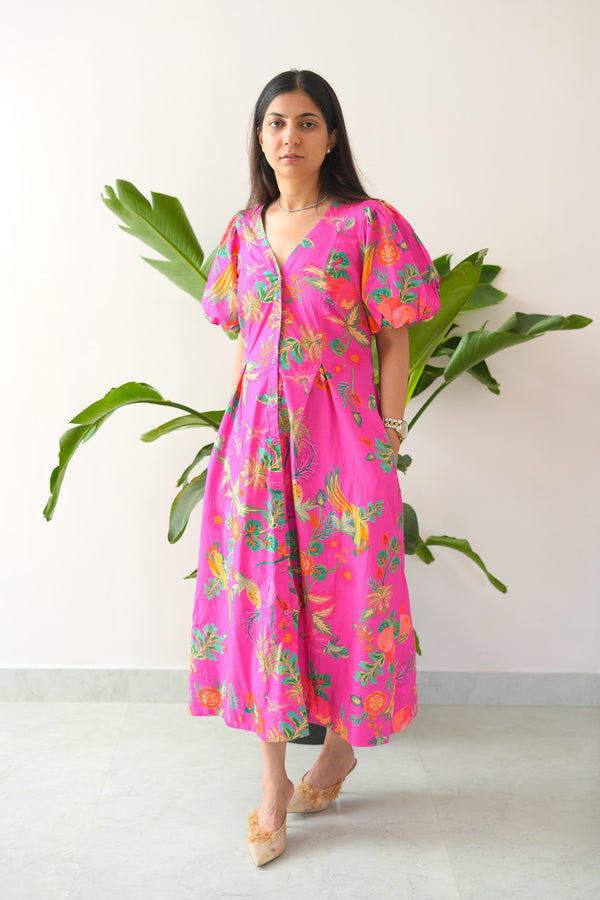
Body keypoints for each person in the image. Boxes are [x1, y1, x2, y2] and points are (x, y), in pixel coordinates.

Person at [188, 69, 440, 866]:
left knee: (349, 590)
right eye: (274, 123)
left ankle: (338, 749)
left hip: (344, 440)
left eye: (304, 122)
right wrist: (229, 430)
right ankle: (271, 786)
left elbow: (396, 338)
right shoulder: (241, 232)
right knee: (264, 601)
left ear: (331, 135)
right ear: (260, 138)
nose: (287, 137)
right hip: (257, 443)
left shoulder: (370, 225)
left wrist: (389, 431)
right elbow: (243, 337)